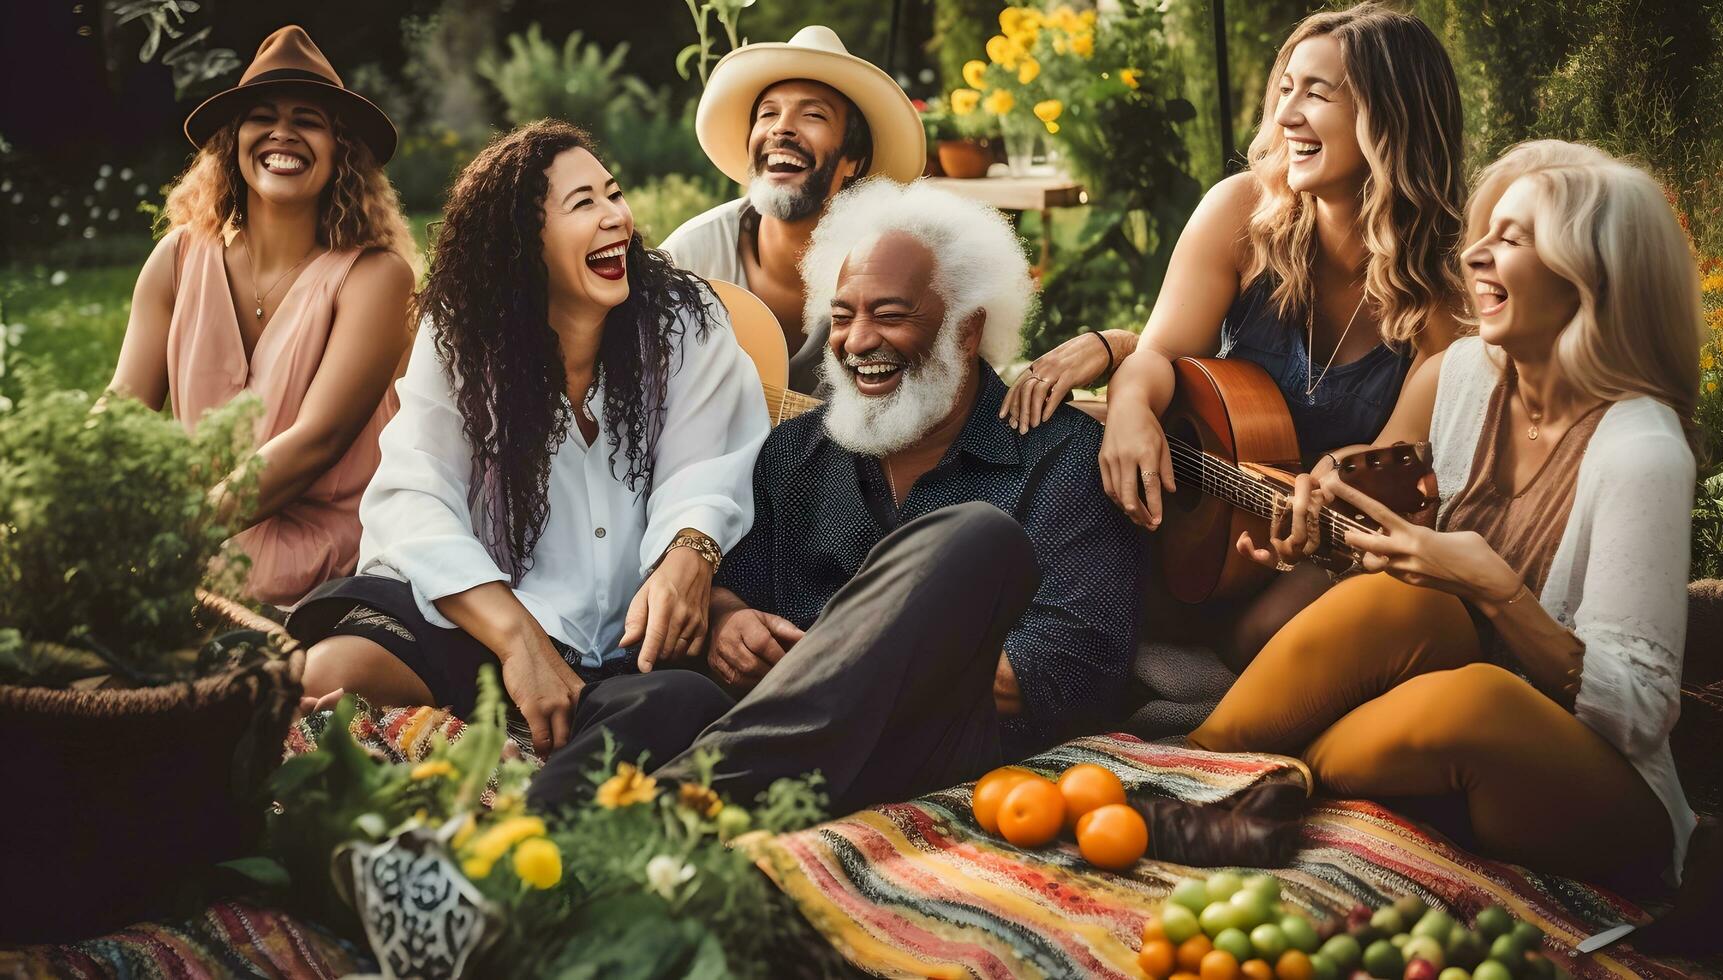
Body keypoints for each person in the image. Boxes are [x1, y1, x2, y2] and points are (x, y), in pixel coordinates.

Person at [528, 179, 1143, 814]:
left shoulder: (1060, 457)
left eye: (891, 314)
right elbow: (726, 586)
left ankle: (679, 805)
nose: (856, 341)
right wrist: (728, 620)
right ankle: (518, 850)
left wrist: (837, 666)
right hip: (773, 736)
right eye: (843, 316)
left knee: (976, 538)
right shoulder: (795, 451)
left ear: (966, 329)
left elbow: (1072, 669)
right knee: (670, 699)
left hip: (934, 744)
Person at [1189, 142, 1703, 890]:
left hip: (1597, 791)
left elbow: (1640, 714)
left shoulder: (1641, 449)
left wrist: (1496, 589)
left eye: (1511, 239)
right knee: (1400, 599)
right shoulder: (1468, 373)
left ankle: (1264, 776)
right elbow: (1415, 567)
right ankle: (1193, 770)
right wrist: (1327, 547)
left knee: (1477, 695)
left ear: (1589, 274)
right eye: (1482, 234)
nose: (1473, 258)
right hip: (1442, 734)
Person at [287, 121, 770, 759]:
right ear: (523, 243)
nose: (615, 218)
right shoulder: (462, 337)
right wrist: (518, 640)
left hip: (635, 648)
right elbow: (413, 491)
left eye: (613, 194)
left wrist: (689, 555)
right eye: (583, 204)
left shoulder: (684, 323)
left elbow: (709, 467)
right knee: (325, 677)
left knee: (685, 708)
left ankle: (541, 792)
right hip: (488, 622)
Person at [1035, 4, 1469, 668]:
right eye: (1285, 89)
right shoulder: (1240, 211)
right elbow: (1157, 355)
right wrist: (1127, 408)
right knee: (1063, 480)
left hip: (1322, 547)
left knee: (1263, 636)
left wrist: (1312, 527)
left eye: (1316, 94)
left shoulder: (1446, 289)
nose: (1286, 116)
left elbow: (1378, 490)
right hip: (1194, 517)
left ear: (1391, 118)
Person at [108, 26, 416, 606]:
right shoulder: (177, 258)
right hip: (197, 555)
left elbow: (316, 441)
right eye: (261, 116)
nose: (282, 132)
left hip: (333, 569)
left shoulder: (377, 277)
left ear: (340, 149)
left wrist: (175, 538)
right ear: (233, 143)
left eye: (308, 119)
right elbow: (122, 413)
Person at [661, 25, 926, 390]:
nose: (782, 129)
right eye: (767, 114)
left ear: (853, 162)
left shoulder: (884, 263)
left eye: (813, 115)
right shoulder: (691, 257)